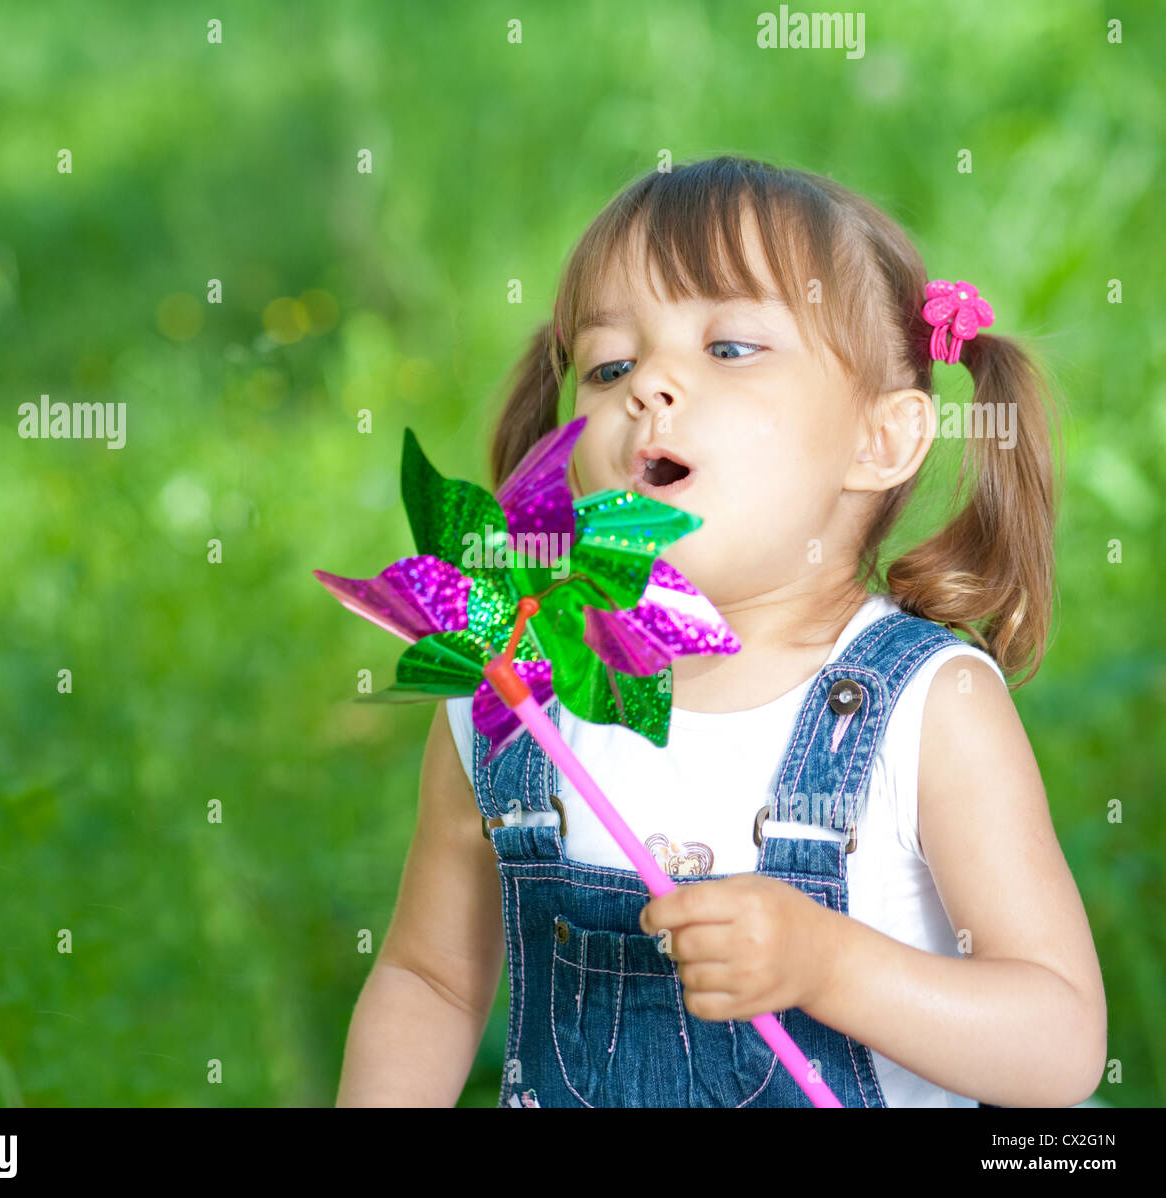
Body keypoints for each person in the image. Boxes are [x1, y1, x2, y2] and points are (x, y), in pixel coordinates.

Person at [335, 154, 1105, 1108]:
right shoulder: (516, 693)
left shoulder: (925, 704)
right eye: (610, 364)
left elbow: (1059, 1044)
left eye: (730, 348)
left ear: (882, 439)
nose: (649, 384)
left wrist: (830, 966)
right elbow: (431, 981)